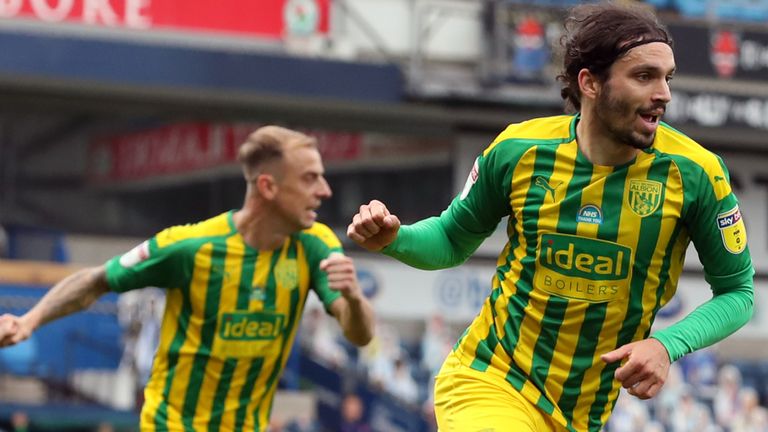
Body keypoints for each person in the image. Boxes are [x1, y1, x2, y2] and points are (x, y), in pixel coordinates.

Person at [347, 3, 754, 432]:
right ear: (590, 82)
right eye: (643, 76)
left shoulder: (697, 174)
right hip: (491, 379)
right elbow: (451, 240)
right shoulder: (518, 151)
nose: (664, 94)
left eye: (666, 78)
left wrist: (666, 345)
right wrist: (395, 239)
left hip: (582, 416)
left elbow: (738, 292)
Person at [0, 126, 375, 431]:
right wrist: (30, 320)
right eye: (311, 179)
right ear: (268, 187)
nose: (324, 191)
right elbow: (96, 281)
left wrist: (355, 297)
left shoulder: (316, 245)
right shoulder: (189, 247)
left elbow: (359, 333)